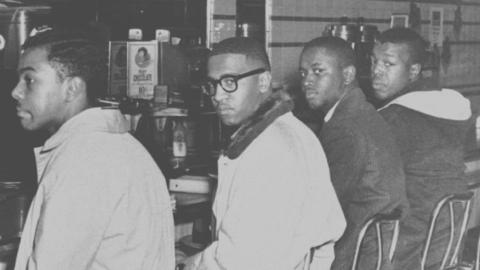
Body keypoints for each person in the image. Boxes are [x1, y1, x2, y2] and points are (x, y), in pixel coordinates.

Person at [11, 26, 175, 270]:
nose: (16, 91)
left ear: (72, 88)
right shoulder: (113, 145)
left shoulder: (84, 162)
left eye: (29, 80)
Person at [181, 37, 345, 270]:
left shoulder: (270, 150)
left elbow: (239, 261)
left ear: (263, 81)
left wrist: (191, 265)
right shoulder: (287, 131)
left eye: (230, 81)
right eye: (212, 85)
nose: (217, 96)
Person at [299, 36, 408, 270]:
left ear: (347, 75)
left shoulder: (344, 127)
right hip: (379, 251)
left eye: (318, 72)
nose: (307, 81)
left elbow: (322, 209)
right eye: (303, 73)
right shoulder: (361, 113)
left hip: (358, 255)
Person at [371, 27, 473, 270]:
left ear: (413, 71)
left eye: (388, 64)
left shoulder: (392, 119)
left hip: (407, 248)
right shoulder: (451, 110)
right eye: (374, 61)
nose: (376, 71)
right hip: (446, 243)